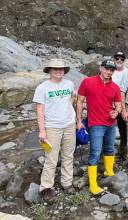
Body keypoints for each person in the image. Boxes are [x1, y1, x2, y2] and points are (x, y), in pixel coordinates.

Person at [76, 59, 121, 195]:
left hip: (111, 123)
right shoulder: (88, 82)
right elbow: (79, 101)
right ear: (101, 68)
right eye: (106, 69)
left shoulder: (115, 87)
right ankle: (93, 185)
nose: (109, 72)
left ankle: (109, 171)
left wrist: (117, 111)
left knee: (109, 148)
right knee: (95, 152)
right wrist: (78, 121)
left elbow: (118, 104)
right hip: (95, 124)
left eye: (111, 70)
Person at [34, 59, 76, 203]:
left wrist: (71, 115)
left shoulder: (69, 84)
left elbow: (72, 98)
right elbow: (39, 111)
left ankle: (67, 182)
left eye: (61, 69)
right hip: (52, 127)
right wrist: (42, 131)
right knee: (51, 158)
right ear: (50, 70)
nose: (59, 71)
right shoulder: (42, 87)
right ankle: (46, 187)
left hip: (69, 125)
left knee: (68, 155)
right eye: (55, 69)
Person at [112, 51, 128, 159]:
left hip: (123, 104)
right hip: (109, 105)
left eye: (122, 59)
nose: (119, 60)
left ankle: (123, 150)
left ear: (124, 61)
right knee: (107, 127)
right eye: (117, 58)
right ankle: (106, 151)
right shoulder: (109, 70)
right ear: (114, 59)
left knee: (123, 128)